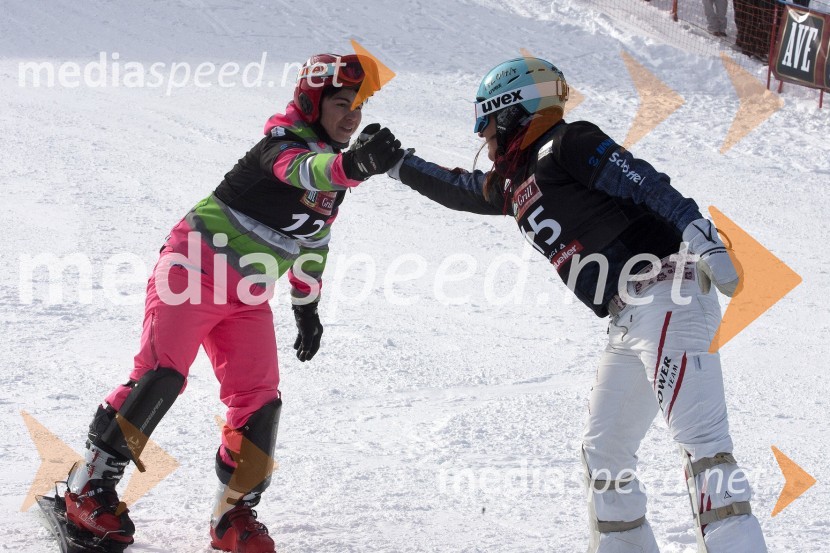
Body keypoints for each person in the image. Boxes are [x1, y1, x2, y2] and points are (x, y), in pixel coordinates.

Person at [385, 57, 768, 552]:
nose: (484, 140)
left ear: (510, 113)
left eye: (486, 125)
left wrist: (701, 233)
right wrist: (397, 165)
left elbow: (644, 182)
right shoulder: (514, 181)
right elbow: (461, 190)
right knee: (604, 456)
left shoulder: (567, 143)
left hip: (670, 290)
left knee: (705, 449)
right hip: (629, 315)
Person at [58, 53, 403, 553]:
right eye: (342, 103)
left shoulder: (332, 179)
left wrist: (306, 308)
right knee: (160, 376)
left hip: (247, 298)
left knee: (260, 403)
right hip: (190, 273)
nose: (352, 115)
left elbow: (313, 242)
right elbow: (304, 171)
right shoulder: (280, 147)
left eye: (358, 106)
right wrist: (350, 165)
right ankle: (87, 487)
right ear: (311, 103)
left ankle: (232, 514)